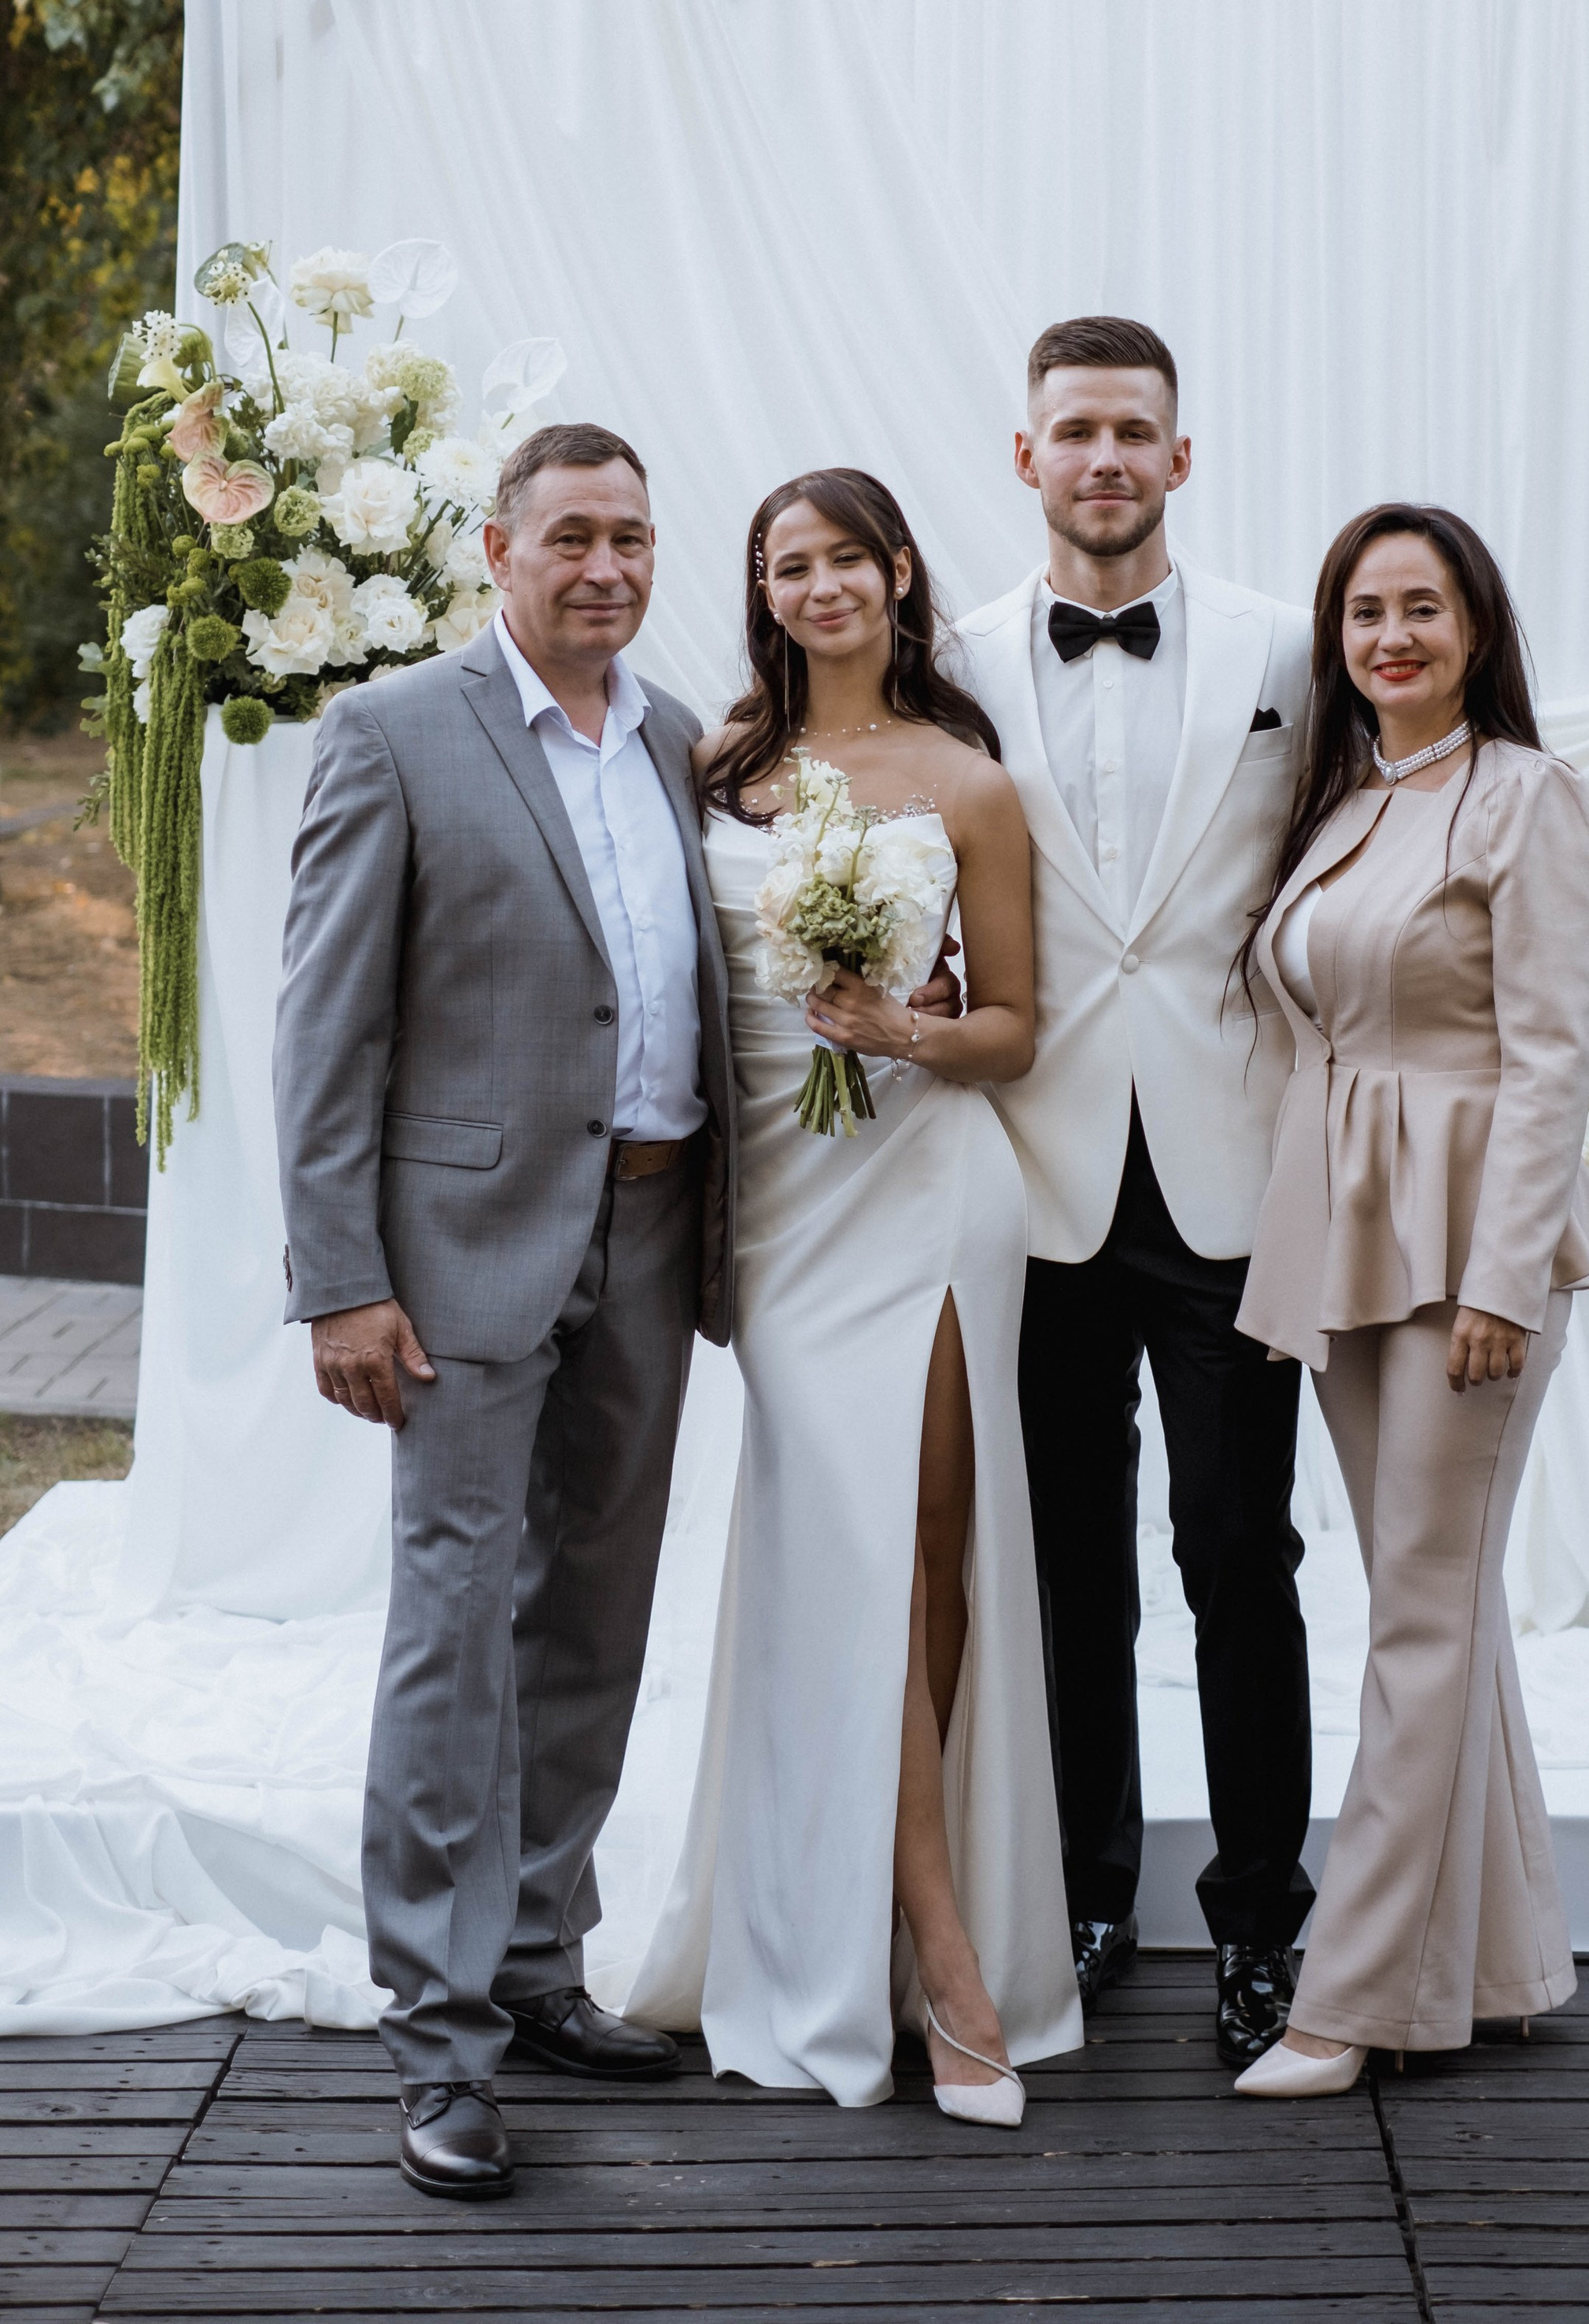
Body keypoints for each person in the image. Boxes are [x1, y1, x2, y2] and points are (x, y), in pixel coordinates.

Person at [273, 423, 738, 2200]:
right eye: (573, 537)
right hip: (459, 1256)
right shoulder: (393, 733)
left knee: (593, 1620)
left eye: (633, 537)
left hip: (654, 1229)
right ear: (497, 548)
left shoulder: (684, 740)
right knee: (454, 1633)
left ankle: (541, 1963)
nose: (607, 567)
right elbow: (326, 1032)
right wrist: (342, 1279)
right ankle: (441, 2038)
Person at [627, 469, 1080, 2116]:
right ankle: (942, 1960)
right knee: (844, 1548)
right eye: (786, 565)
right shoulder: (710, 769)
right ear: (762, 591)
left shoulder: (967, 780)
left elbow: (1013, 1028)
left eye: (843, 560)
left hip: (929, 1192)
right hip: (781, 1207)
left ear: (896, 572)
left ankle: (911, 1928)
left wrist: (901, 1030)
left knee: (931, 1555)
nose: (818, 587)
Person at [1228, 503, 1589, 2099]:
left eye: (1421, 607)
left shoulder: (1525, 796)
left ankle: (1349, 1998)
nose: (1390, 636)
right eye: (1364, 611)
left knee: (1419, 1609)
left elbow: (1549, 1053)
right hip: (1347, 1231)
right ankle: (1497, 1961)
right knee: (1437, 1601)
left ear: (1474, 630)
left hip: (1471, 1243)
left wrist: (1504, 1278)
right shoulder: (1340, 801)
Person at [960, 320, 1316, 2070]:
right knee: (1064, 1562)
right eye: (1074, 430)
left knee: (1239, 1550)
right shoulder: (951, 661)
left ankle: (1259, 1923)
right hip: (1029, 1174)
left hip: (1232, 1170)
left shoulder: (1286, 649)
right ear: (1024, 456)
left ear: (1181, 458)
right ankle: (1084, 1896)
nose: (1104, 457)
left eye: (1133, 432)